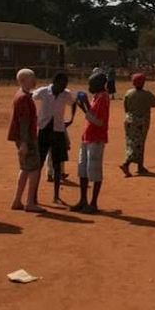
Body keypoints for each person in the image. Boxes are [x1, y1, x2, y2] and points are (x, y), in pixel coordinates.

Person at [33, 73, 75, 204]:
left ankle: (56, 196)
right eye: (62, 84)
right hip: (44, 130)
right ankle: (33, 195)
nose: (64, 87)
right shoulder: (44, 91)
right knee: (38, 164)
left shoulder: (66, 94)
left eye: (65, 85)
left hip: (58, 131)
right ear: (55, 82)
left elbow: (74, 103)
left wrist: (71, 119)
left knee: (57, 165)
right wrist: (36, 118)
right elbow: (31, 96)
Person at [8, 68, 45, 213]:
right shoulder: (23, 97)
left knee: (24, 168)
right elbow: (24, 121)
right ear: (23, 80)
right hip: (27, 138)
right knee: (34, 168)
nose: (34, 80)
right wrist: (24, 143)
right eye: (31, 78)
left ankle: (17, 200)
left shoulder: (22, 94)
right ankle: (30, 202)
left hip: (23, 137)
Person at [72, 71, 109, 214]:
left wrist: (85, 106)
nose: (89, 86)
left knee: (94, 171)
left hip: (96, 139)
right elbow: (91, 115)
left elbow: (99, 121)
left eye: (91, 84)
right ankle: (83, 200)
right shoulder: (96, 97)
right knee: (83, 171)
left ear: (100, 84)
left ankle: (93, 203)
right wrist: (85, 104)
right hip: (87, 137)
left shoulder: (103, 98)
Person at [120, 73, 155, 177]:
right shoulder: (146, 94)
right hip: (141, 122)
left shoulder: (128, 93)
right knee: (138, 144)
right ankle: (126, 164)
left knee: (131, 142)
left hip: (129, 120)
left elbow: (126, 107)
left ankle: (140, 166)